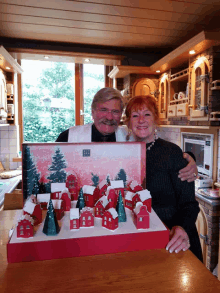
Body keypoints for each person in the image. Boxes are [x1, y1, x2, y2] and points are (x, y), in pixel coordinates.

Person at [56, 87, 198, 182]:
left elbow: (158, 149)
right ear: (92, 112)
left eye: (115, 112)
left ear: (121, 116)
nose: (109, 117)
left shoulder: (129, 135)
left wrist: (188, 159)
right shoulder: (69, 136)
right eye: (104, 110)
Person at [124, 95, 203, 261]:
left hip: (173, 238)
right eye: (135, 115)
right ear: (128, 122)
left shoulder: (172, 153)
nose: (141, 120)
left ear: (155, 120)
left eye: (147, 114)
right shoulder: (124, 154)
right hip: (138, 237)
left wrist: (181, 227)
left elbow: (190, 204)